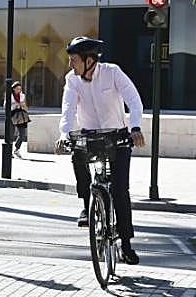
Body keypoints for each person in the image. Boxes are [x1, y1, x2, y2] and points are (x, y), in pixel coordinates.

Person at [57, 36, 146, 265]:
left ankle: (125, 244)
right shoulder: (72, 80)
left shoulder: (112, 72)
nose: (70, 65)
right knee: (77, 155)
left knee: (119, 191)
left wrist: (135, 127)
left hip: (118, 136)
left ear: (89, 60)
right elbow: (67, 109)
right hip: (90, 136)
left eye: (74, 60)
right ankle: (87, 205)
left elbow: (134, 100)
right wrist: (64, 135)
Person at [9, 81, 30, 157]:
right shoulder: (9, 96)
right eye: (17, 89)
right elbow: (6, 106)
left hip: (21, 115)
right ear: (13, 89)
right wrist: (15, 105)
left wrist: (23, 105)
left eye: (20, 89)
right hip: (12, 115)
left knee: (22, 134)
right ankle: (9, 151)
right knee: (10, 134)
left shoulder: (22, 96)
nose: (19, 90)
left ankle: (16, 149)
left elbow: (27, 108)